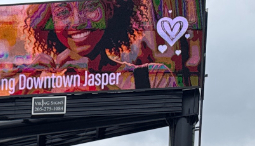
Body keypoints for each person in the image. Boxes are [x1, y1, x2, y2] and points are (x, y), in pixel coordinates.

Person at [21, 1, 177, 90]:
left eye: (89, 7)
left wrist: (93, 83)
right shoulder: (45, 88)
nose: (78, 21)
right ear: (49, 21)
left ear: (109, 10)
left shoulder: (153, 78)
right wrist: (24, 88)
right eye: (62, 12)